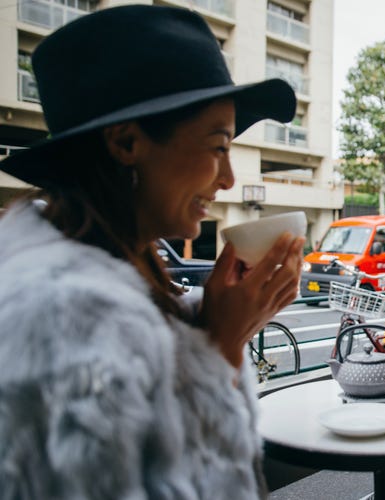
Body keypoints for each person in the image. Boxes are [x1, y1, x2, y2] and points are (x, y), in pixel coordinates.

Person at [0, 6, 301, 499]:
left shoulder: (112, 275)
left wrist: (222, 327)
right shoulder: (65, 314)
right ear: (126, 143)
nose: (227, 180)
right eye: (219, 145)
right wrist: (221, 344)